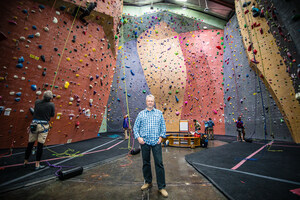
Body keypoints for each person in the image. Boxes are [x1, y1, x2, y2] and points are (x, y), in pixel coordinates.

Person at [133, 94, 168, 198]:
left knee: (159, 164)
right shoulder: (141, 114)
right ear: (146, 102)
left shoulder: (159, 113)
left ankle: (161, 187)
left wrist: (161, 137)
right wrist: (139, 138)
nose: (150, 102)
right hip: (145, 143)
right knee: (146, 163)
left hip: (156, 142)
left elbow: (163, 127)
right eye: (148, 101)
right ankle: (148, 182)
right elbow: (135, 128)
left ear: (154, 102)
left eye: (151, 101)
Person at [24, 90, 55, 170]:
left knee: (30, 144)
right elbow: (52, 115)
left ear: (43, 96)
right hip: (43, 126)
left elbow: (36, 110)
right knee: (40, 146)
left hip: (34, 125)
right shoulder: (51, 104)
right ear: (51, 98)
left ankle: (25, 161)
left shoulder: (37, 102)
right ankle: (37, 164)